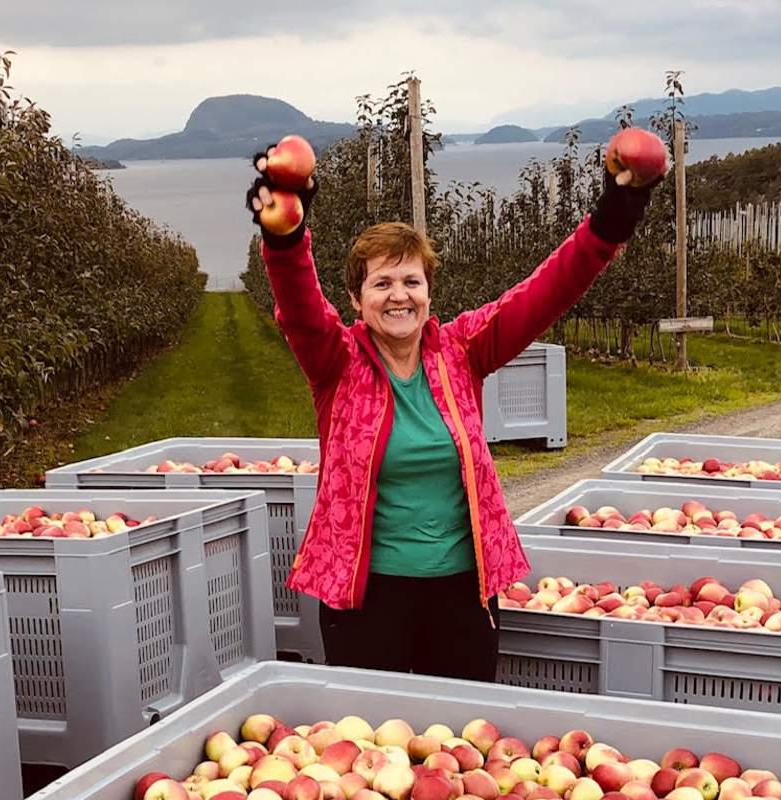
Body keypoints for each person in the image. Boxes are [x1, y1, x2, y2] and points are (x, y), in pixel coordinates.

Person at [248, 144, 661, 681]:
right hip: (366, 597)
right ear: (356, 298)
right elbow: (300, 308)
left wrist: (614, 215)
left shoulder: (461, 352)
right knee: (375, 747)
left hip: (462, 593)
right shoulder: (337, 363)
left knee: (462, 744)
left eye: (411, 282)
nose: (399, 296)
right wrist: (285, 239)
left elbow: (546, 292)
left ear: (428, 291)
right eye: (382, 283)